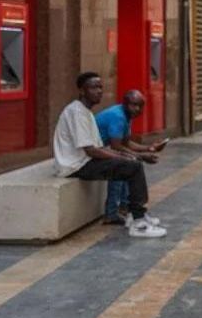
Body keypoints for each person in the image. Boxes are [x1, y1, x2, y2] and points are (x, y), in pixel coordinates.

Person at [53, 73, 166, 238]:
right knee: (132, 167)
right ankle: (138, 222)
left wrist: (129, 155)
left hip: (84, 160)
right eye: (93, 87)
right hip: (75, 165)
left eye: (100, 87)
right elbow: (91, 150)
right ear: (82, 91)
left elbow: (104, 147)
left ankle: (134, 215)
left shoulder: (86, 112)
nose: (99, 91)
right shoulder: (77, 112)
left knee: (131, 164)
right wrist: (121, 156)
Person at [95, 90, 167, 225]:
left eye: (140, 106)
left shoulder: (126, 116)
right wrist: (142, 156)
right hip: (91, 152)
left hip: (102, 149)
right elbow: (116, 146)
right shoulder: (118, 116)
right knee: (122, 166)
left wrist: (149, 148)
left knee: (129, 163)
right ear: (125, 104)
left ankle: (126, 208)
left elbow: (126, 142)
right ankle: (112, 212)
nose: (137, 109)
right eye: (133, 105)